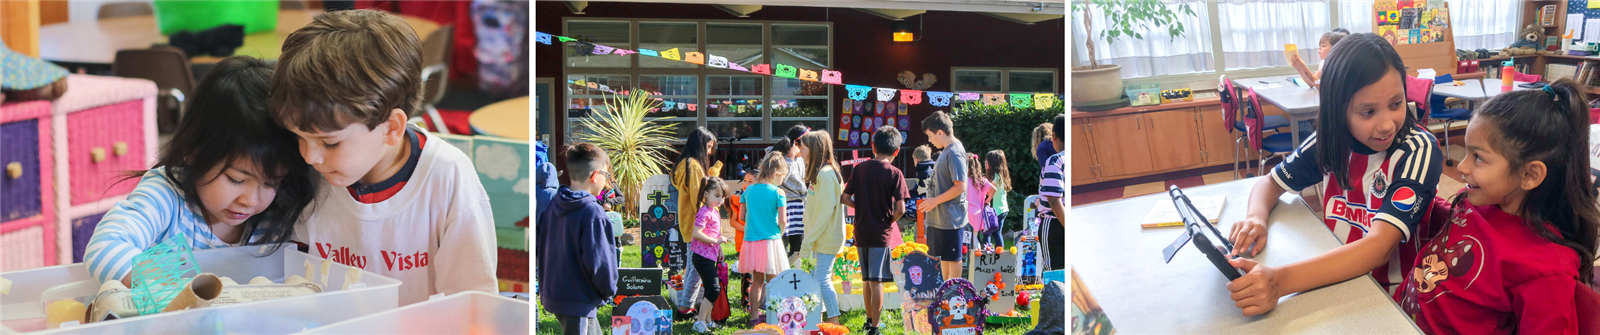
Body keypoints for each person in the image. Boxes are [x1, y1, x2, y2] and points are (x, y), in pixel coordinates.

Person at [269, 9, 498, 305]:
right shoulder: (311, 173)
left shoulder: (447, 177)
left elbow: (472, 301)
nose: (310, 156)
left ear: (391, 128)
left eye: (330, 143)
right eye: (300, 137)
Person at [1225, 33, 1445, 316]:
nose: (1386, 124)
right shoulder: (1330, 140)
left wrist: (1280, 282)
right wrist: (1256, 217)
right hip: (1333, 278)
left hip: (1393, 297)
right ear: (1338, 111)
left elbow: (1379, 247)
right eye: (1368, 112)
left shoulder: (1418, 150)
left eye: (1396, 103)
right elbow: (1270, 183)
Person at [85, 56, 318, 287]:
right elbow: (105, 246)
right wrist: (179, 296)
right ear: (193, 152)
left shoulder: (276, 213)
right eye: (236, 179)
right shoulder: (167, 197)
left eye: (271, 183)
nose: (250, 200)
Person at [1395, 79, 1600, 334]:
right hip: (1396, 317)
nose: (1461, 167)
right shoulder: (1475, 202)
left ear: (1529, 175)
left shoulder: (1544, 268)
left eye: (1478, 157)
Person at [536, 144, 619, 335]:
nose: (606, 181)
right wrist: (608, 290)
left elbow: (540, 245)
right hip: (579, 299)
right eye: (606, 176)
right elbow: (600, 262)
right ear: (595, 175)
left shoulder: (553, 203)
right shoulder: (593, 212)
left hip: (555, 294)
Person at [841, 126, 909, 335]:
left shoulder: (859, 169)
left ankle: (868, 319)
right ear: (896, 151)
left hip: (861, 230)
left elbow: (844, 197)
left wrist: (859, 206)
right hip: (881, 232)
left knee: (866, 279)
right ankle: (875, 327)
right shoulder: (895, 173)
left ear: (873, 147)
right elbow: (901, 208)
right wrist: (890, 220)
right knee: (877, 279)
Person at [670, 127, 721, 316]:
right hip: (698, 225)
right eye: (708, 147)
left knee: (694, 267)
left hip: (689, 223)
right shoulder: (692, 165)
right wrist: (709, 221)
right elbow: (698, 196)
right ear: (700, 145)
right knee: (696, 268)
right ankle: (685, 307)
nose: (709, 152)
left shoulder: (684, 163)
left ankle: (688, 303)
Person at [797, 131, 846, 324]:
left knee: (822, 280)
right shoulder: (822, 173)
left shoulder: (825, 175)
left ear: (814, 150)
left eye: (803, 148)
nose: (800, 151)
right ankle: (821, 320)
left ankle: (834, 323)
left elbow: (824, 213)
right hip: (820, 237)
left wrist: (807, 242)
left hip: (825, 238)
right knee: (818, 280)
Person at [740, 152, 793, 326]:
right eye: (782, 176)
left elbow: (741, 215)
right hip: (771, 239)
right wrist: (780, 231)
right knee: (773, 281)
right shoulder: (778, 192)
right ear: (776, 172)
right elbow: (783, 220)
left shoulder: (748, 190)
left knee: (757, 281)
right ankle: (775, 316)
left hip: (751, 240)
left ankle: (754, 316)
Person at [918, 111, 970, 281]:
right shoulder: (947, 151)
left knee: (952, 258)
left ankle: (953, 294)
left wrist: (934, 201)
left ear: (940, 132)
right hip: (941, 218)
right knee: (944, 259)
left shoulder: (954, 152)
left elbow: (961, 185)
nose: (929, 140)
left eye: (930, 135)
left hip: (951, 218)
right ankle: (945, 295)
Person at [690, 177, 733, 332]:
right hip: (702, 257)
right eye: (717, 195)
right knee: (714, 289)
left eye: (722, 196)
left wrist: (719, 248)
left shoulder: (714, 211)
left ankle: (708, 320)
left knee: (710, 288)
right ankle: (699, 321)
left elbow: (715, 231)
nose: (720, 199)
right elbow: (696, 233)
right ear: (706, 194)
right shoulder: (704, 212)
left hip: (709, 256)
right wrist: (716, 241)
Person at [1038, 115, 1067, 272]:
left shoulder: (1055, 161)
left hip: (1054, 222)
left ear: (1053, 135)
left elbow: (1054, 199)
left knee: (1053, 271)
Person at [779, 125, 810, 262]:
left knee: (798, 247)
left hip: (799, 205)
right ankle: (777, 274)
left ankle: (787, 270)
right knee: (782, 244)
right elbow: (780, 180)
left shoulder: (800, 160)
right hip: (785, 205)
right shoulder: (781, 160)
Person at [965, 153, 996, 250]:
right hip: (978, 213)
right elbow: (994, 189)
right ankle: (976, 257)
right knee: (975, 237)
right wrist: (987, 200)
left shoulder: (964, 181)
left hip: (966, 213)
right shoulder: (982, 181)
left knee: (965, 239)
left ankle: (967, 259)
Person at [985, 150, 1012, 239]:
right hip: (1003, 209)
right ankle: (999, 250)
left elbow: (990, 191)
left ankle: (989, 250)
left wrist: (986, 200)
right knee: (997, 233)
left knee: (988, 232)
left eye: (987, 160)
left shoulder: (995, 177)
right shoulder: (1001, 176)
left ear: (993, 163)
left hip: (997, 210)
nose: (985, 162)